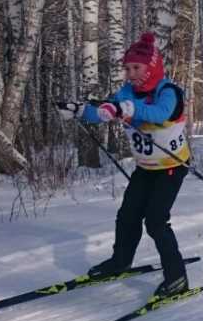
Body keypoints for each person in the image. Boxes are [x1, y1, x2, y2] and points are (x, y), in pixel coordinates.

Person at [55, 32, 192, 298]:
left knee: (155, 221)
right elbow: (106, 111)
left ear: (151, 67)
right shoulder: (127, 92)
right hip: (146, 168)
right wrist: (81, 111)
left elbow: (159, 114)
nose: (130, 74)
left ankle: (176, 278)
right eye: (127, 68)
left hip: (172, 167)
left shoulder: (169, 92)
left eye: (136, 68)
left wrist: (125, 109)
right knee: (127, 215)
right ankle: (120, 262)